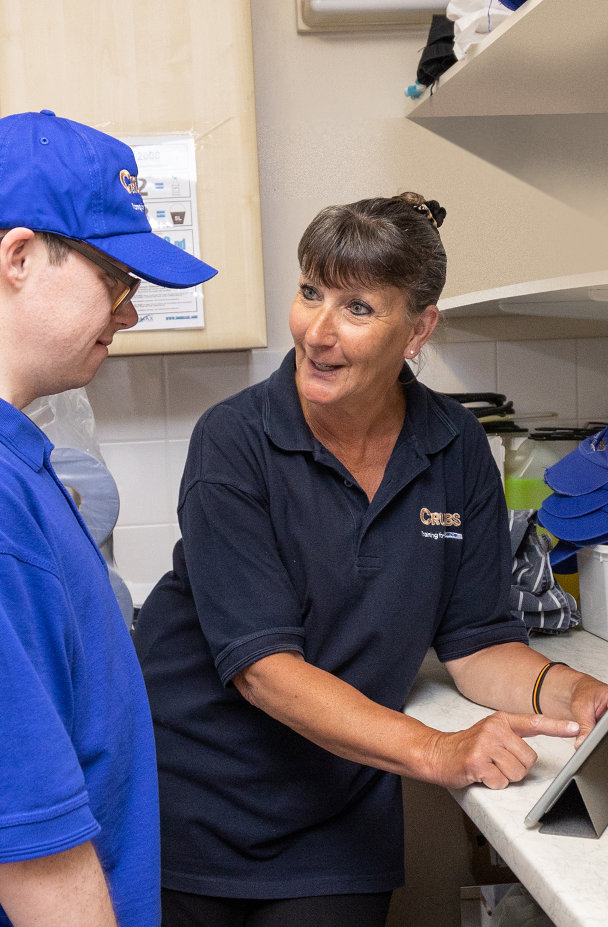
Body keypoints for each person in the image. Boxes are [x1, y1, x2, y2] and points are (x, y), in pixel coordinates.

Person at [132, 191, 608, 927]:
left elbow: (478, 644)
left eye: (357, 308)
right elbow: (264, 670)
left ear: (419, 329)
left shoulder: (454, 446)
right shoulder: (234, 441)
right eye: (310, 292)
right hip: (194, 803)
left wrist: (575, 692)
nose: (317, 331)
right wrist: (437, 749)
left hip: (338, 811)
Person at [0, 109, 217, 927]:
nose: (128, 313)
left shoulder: (25, 462)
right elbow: (31, 851)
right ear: (19, 257)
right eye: (116, 281)